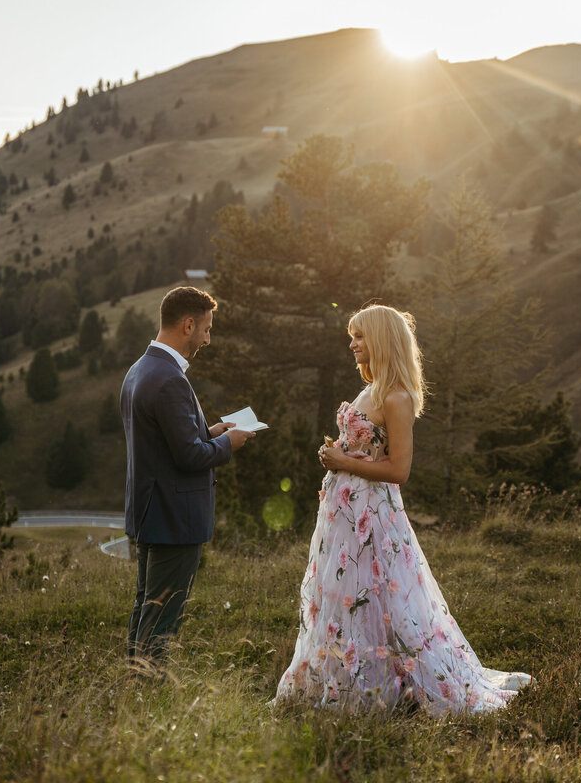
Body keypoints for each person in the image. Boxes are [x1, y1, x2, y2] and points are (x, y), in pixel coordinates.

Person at [274, 304, 530, 713]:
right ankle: (343, 679)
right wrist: (338, 455)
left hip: (373, 515)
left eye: (360, 336)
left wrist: (342, 462)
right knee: (345, 594)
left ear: (381, 340)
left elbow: (399, 469)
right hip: (344, 515)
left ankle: (384, 685)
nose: (352, 344)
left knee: (379, 593)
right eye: (351, 336)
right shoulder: (369, 389)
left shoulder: (396, 397)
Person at [121, 286, 253, 672]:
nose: (208, 340)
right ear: (188, 324)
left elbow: (167, 443)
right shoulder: (169, 379)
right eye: (207, 330)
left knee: (147, 604)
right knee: (162, 616)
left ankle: (136, 682)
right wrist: (229, 443)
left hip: (150, 512)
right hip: (173, 518)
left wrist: (211, 431)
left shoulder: (140, 369)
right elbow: (189, 456)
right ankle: (149, 689)